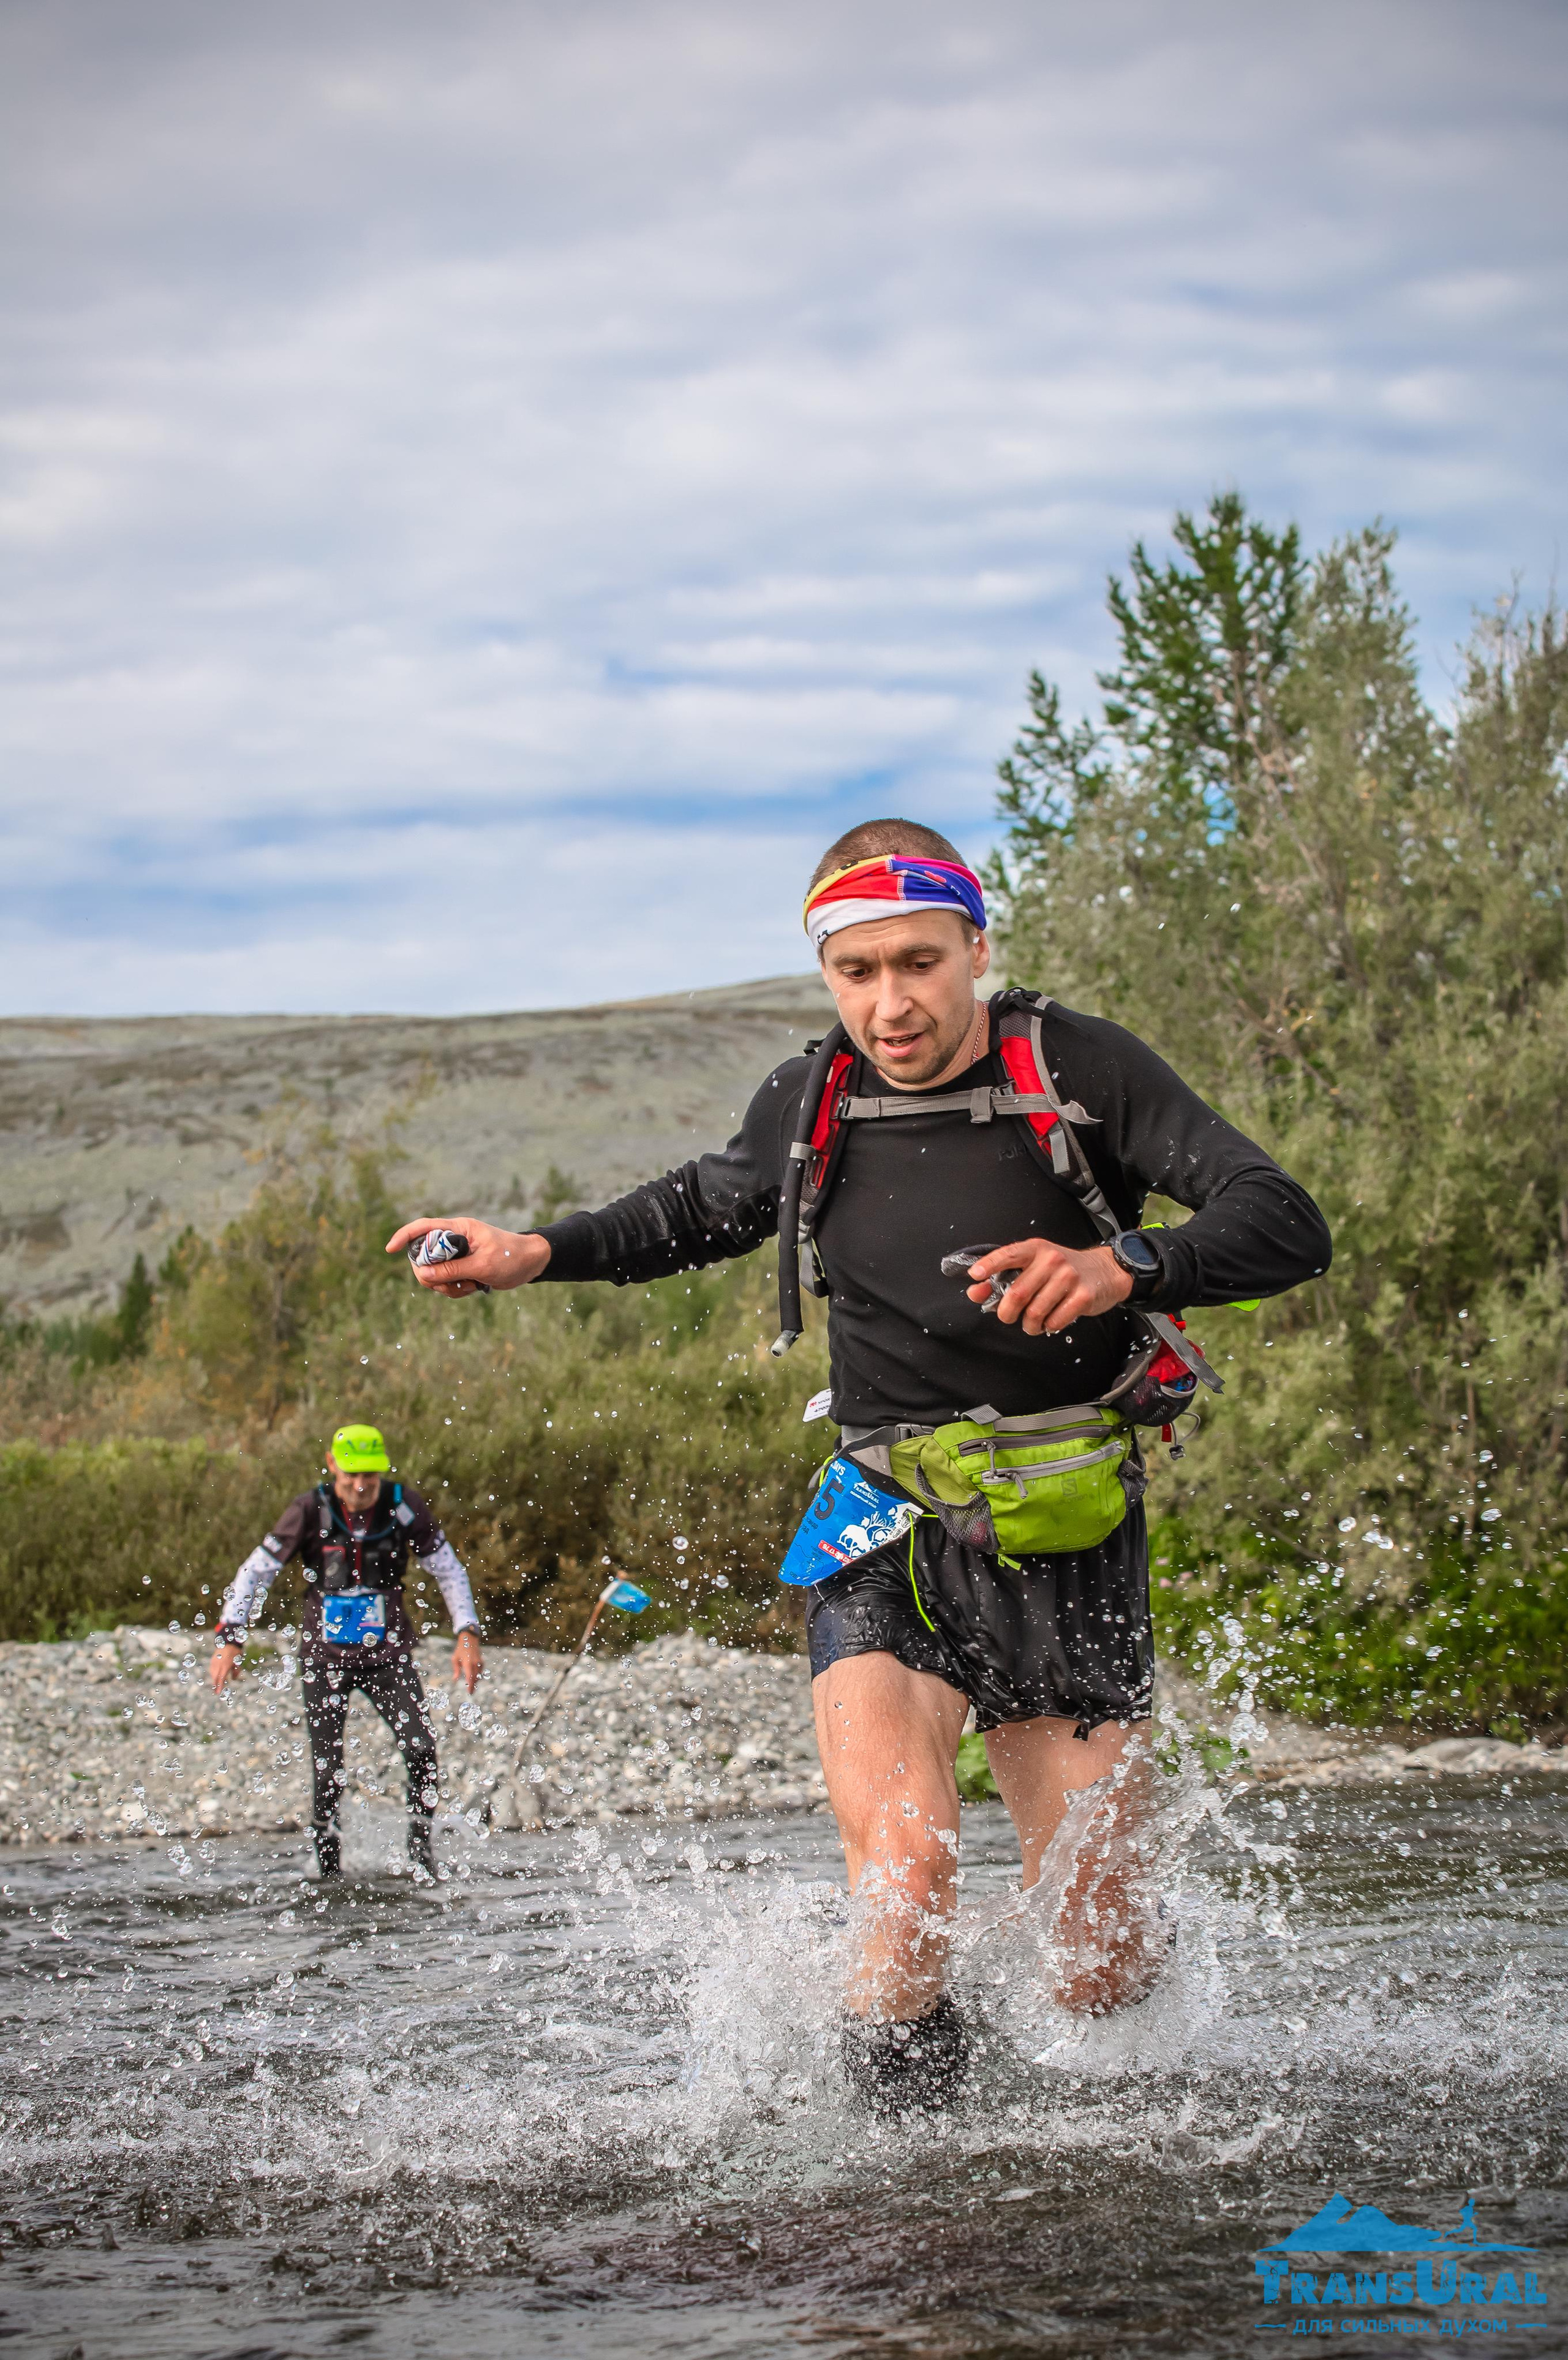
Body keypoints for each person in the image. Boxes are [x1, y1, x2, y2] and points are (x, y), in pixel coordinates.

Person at [386, 821, 1330, 2099]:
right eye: (856, 970)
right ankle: (900, 2181)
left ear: (975, 949)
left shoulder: (1076, 1068)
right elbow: (693, 1209)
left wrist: (1124, 1263)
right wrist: (532, 1251)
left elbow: (1281, 1221)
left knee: (1101, 1954)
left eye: (918, 963)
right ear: (827, 971)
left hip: (1064, 1519)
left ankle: (1073, 2143)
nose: (888, 1002)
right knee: (903, 1874)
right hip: (880, 1512)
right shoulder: (812, 1099)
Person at [209, 1423, 483, 1880]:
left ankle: (421, 1856)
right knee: (329, 1768)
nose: (360, 1487)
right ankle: (329, 1872)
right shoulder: (307, 1511)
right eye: (351, 1477)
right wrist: (230, 1639)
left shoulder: (404, 1506)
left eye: (370, 1478)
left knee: (420, 1748)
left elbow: (449, 1571)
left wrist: (467, 1634)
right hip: (325, 1660)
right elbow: (255, 1573)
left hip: (388, 1656)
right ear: (332, 1465)